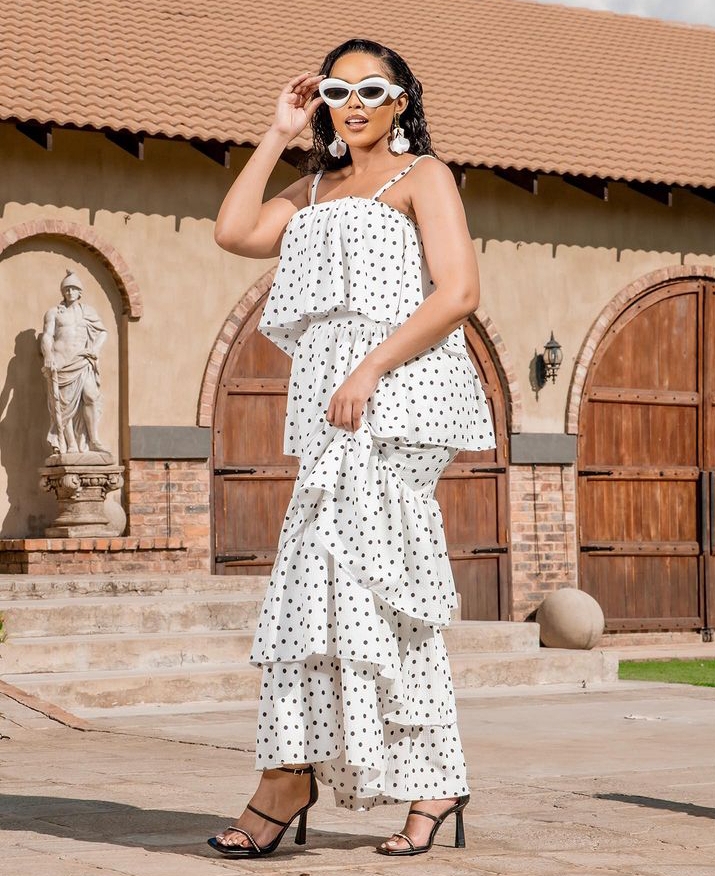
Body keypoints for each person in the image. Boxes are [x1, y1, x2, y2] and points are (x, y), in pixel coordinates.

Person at [208, 37, 495, 859]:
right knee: (355, 589)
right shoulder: (313, 188)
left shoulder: (423, 177)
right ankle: (429, 781)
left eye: (372, 90)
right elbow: (233, 232)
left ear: (401, 100)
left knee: (329, 575)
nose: (354, 104)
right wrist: (277, 132)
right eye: (337, 91)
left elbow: (458, 292)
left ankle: (286, 781)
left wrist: (368, 368)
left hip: (399, 392)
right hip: (332, 406)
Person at [40, 270, 109, 455]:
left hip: (82, 360)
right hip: (61, 362)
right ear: (63, 292)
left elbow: (103, 332)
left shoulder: (88, 312)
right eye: (67, 289)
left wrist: (95, 349)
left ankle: (93, 439)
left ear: (80, 292)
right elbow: (47, 336)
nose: (70, 292)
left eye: (73, 289)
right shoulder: (54, 312)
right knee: (65, 405)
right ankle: (70, 443)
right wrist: (48, 355)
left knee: (91, 396)